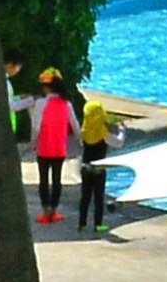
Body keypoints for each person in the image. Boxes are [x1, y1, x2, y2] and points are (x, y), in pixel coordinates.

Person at [31, 72, 77, 226]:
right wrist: (81, 141)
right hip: (59, 148)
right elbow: (75, 125)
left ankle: (45, 212)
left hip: (44, 147)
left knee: (43, 180)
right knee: (57, 180)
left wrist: (33, 142)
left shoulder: (40, 104)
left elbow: (36, 127)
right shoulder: (67, 104)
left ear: (48, 88)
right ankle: (54, 211)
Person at [74, 81, 116, 240]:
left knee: (85, 197)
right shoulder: (103, 132)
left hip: (85, 167)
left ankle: (82, 223)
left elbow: (79, 144)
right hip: (99, 169)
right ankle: (98, 224)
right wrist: (122, 131)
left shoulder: (84, 130)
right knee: (98, 197)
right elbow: (117, 142)